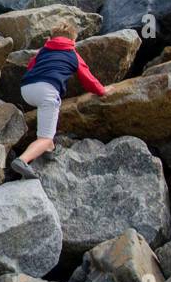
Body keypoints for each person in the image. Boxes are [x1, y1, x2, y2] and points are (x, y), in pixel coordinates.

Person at [10, 23, 107, 179]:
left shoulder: (43, 51)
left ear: (50, 38)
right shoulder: (72, 54)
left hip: (26, 89)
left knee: (48, 132)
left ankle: (48, 151)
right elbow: (88, 79)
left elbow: (30, 66)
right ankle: (23, 160)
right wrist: (102, 91)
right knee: (45, 137)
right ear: (73, 41)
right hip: (48, 91)